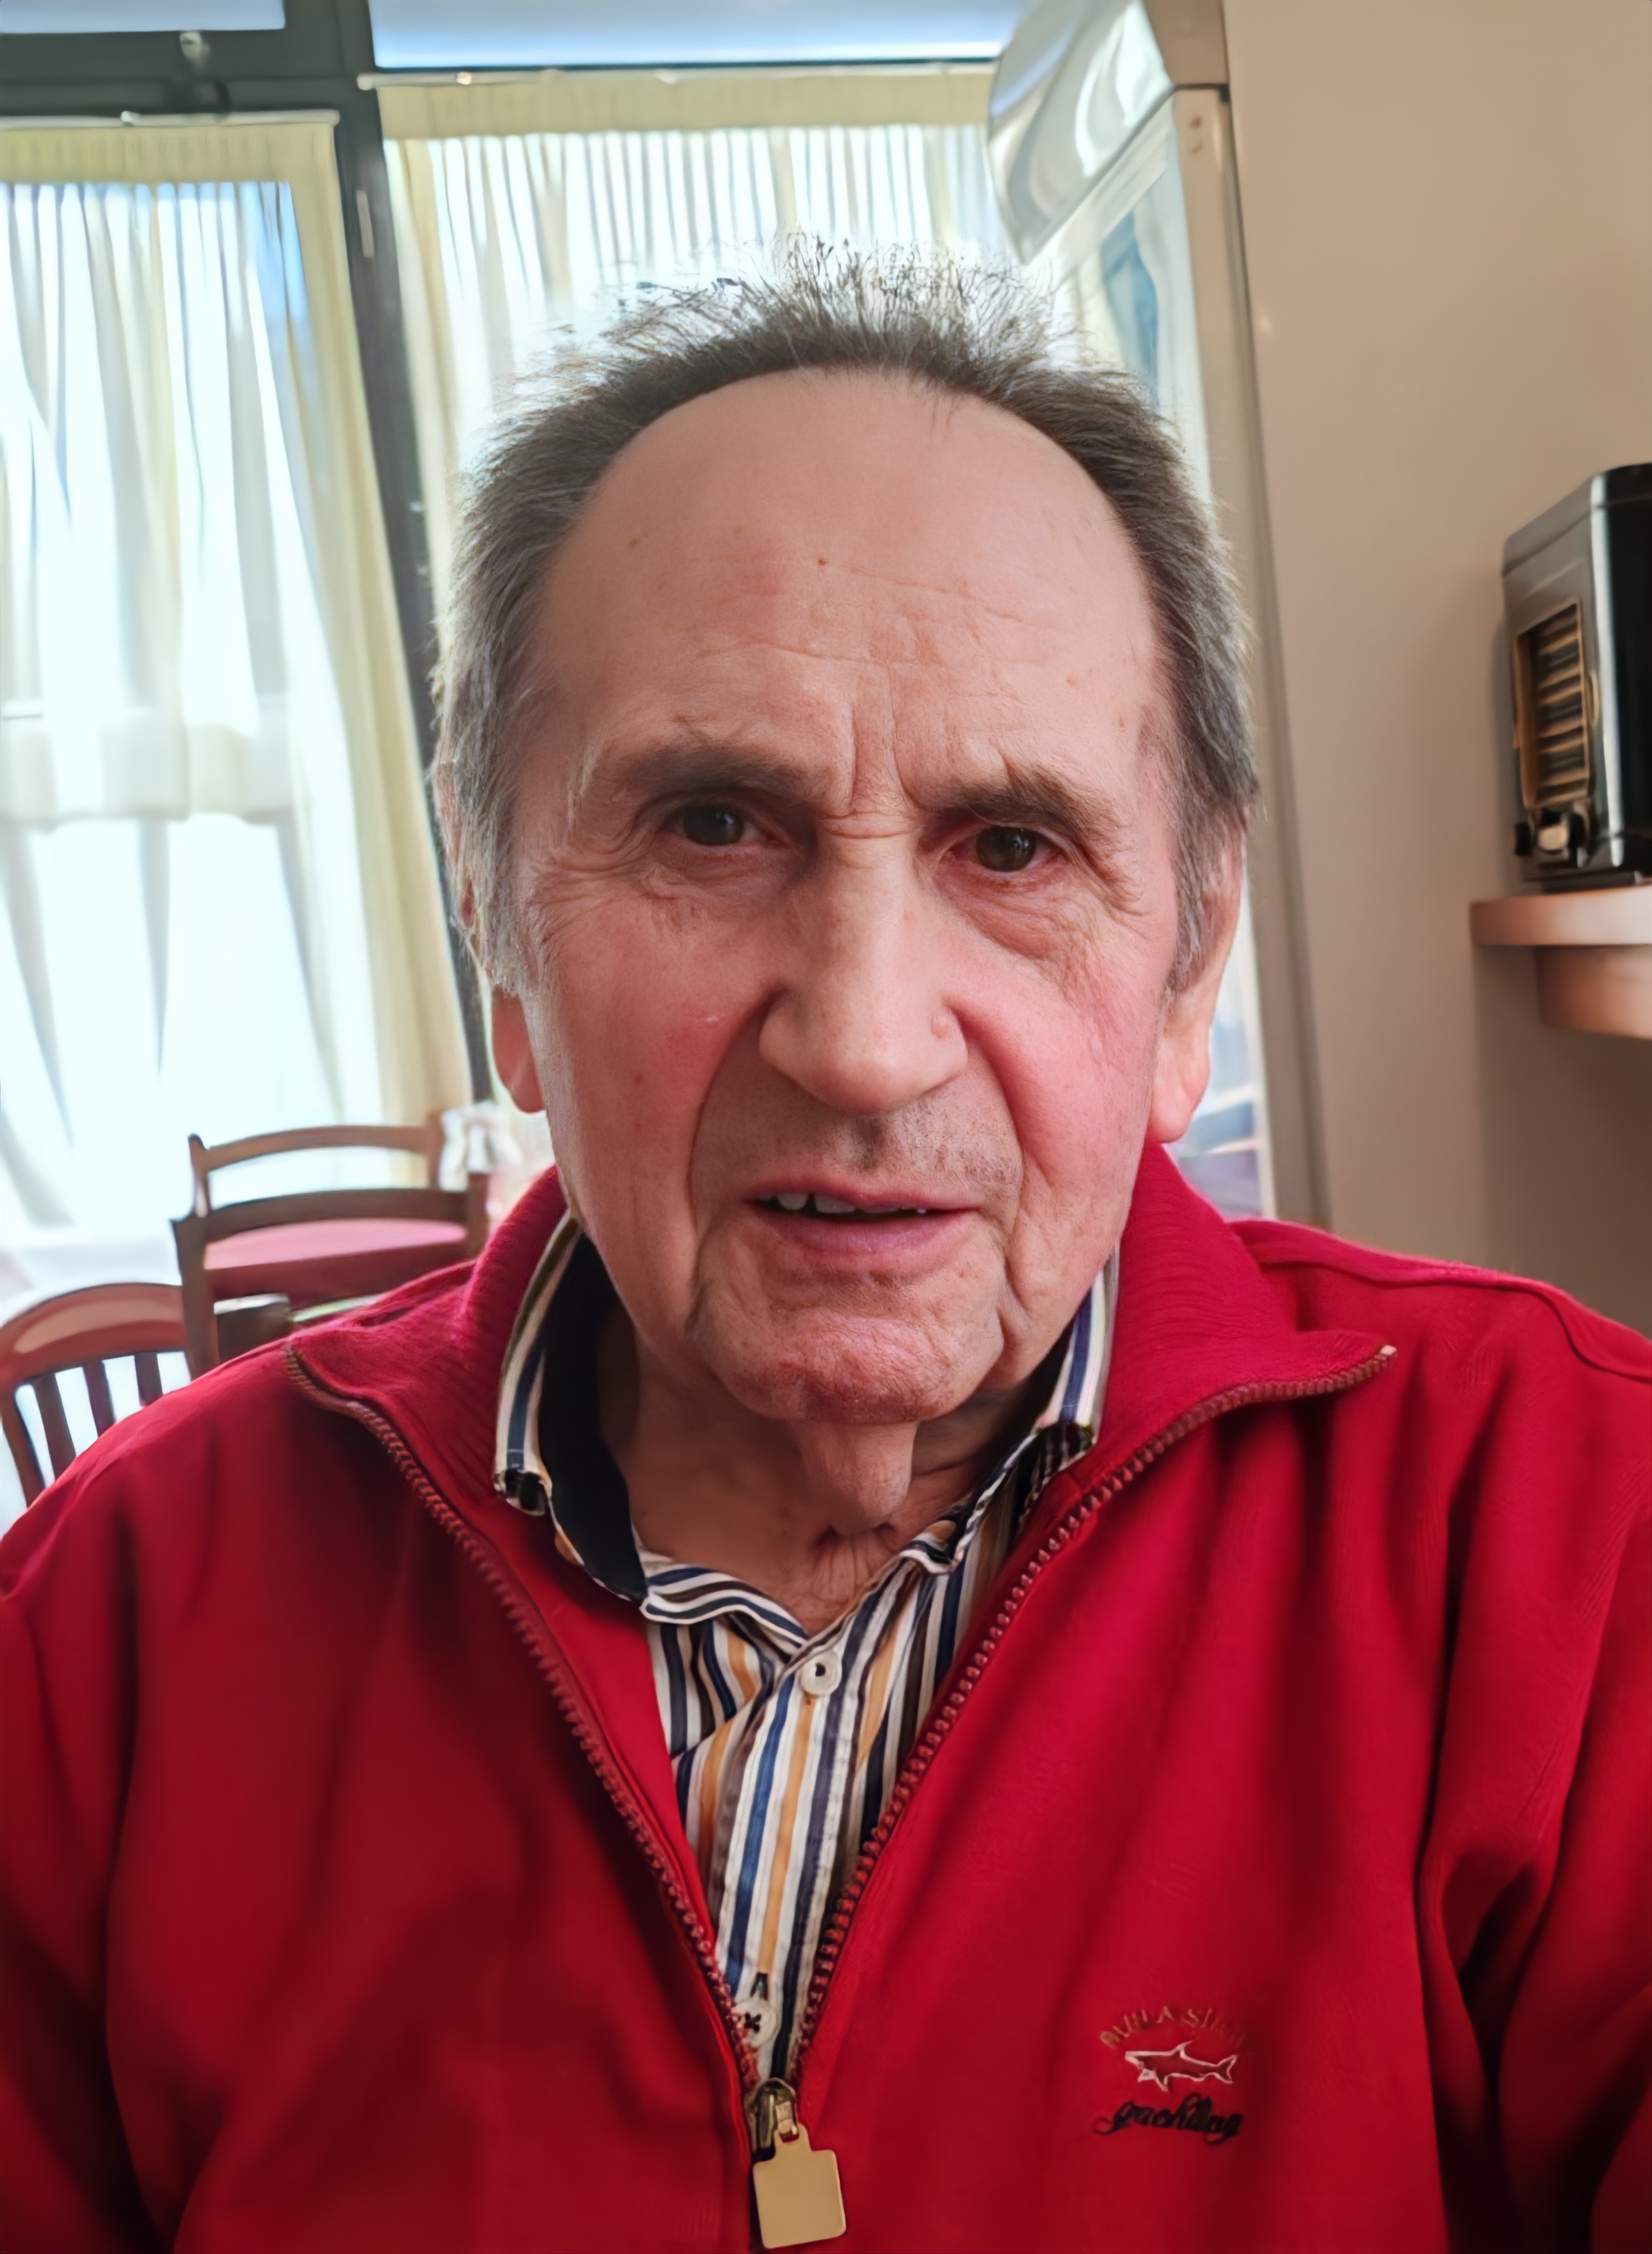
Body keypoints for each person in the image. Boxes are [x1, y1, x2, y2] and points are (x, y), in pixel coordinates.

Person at [1, 250, 1646, 2254]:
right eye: (713, 825)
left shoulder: (1573, 1531)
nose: (863, 1041)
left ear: (1188, 963)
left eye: (1013, 847)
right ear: (499, 937)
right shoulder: (103, 1634)